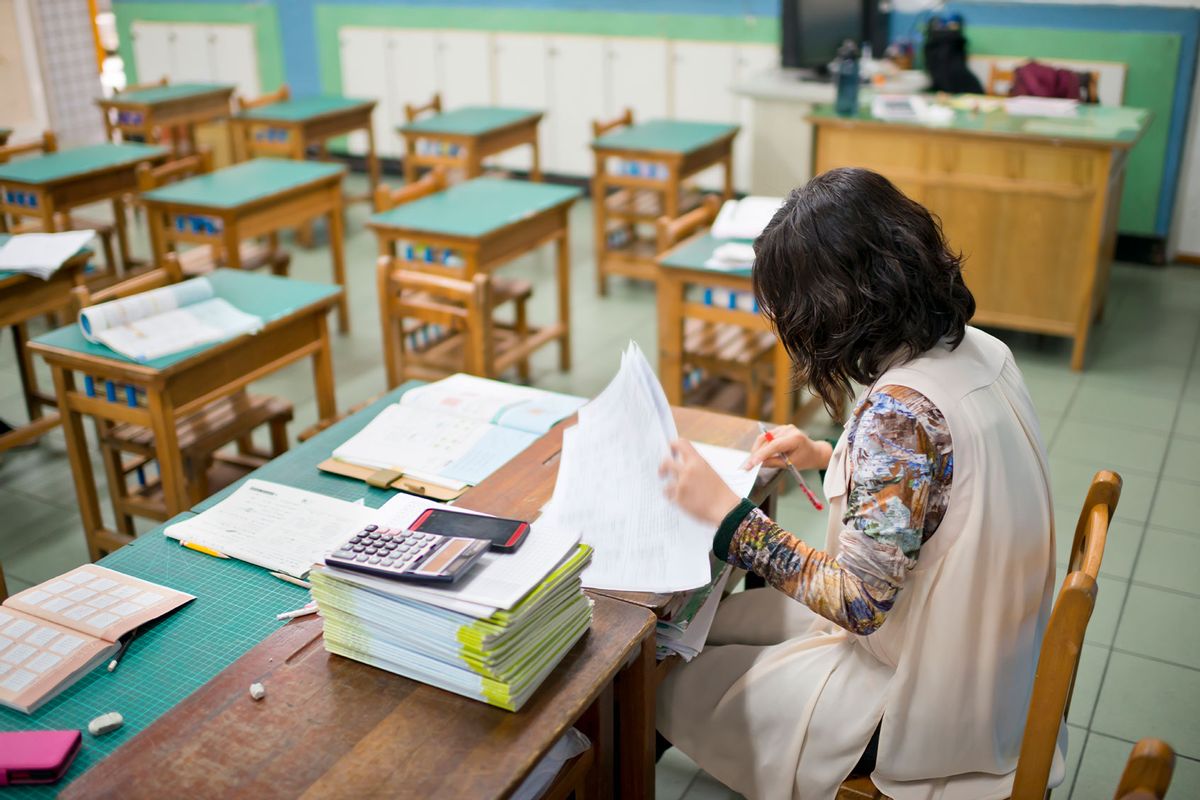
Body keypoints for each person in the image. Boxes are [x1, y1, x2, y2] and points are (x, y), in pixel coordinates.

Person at [657, 168, 1058, 799]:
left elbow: (859, 604)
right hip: (993, 658)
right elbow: (941, 482)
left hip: (924, 696)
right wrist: (827, 452)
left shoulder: (899, 420)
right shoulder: (980, 350)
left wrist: (730, 519)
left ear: (833, 310)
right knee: (724, 625)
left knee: (672, 682)